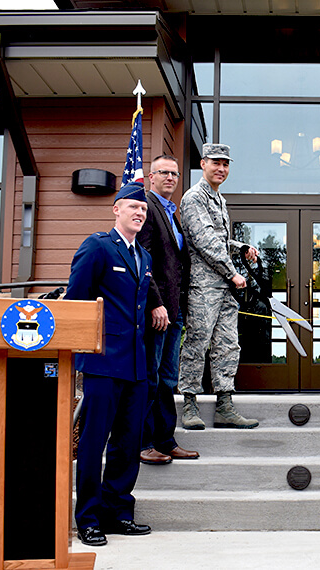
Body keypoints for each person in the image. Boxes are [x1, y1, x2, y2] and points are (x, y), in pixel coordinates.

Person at [64, 181, 154, 547]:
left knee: (128, 444)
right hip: (102, 364)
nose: (139, 213)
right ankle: (87, 518)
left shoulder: (143, 258)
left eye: (144, 210)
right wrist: (77, 356)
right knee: (93, 443)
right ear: (116, 209)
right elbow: (76, 303)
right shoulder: (98, 248)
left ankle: (118, 512)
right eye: (132, 206)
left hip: (136, 367)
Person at [178, 143, 259, 429]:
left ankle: (224, 404)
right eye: (216, 163)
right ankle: (189, 405)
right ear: (203, 164)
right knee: (197, 343)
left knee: (227, 345)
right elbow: (205, 241)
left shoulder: (218, 198)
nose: (221, 169)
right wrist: (233, 272)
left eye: (225, 164)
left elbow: (221, 240)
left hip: (224, 287)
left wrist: (241, 246)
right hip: (204, 285)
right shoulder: (194, 198)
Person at [138, 154, 199, 465]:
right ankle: (144, 441)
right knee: (150, 377)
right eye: (164, 173)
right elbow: (144, 260)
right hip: (157, 313)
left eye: (175, 174)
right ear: (152, 177)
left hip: (174, 313)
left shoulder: (171, 213)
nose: (171, 178)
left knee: (167, 379)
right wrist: (155, 303)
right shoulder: (147, 208)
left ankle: (166, 440)